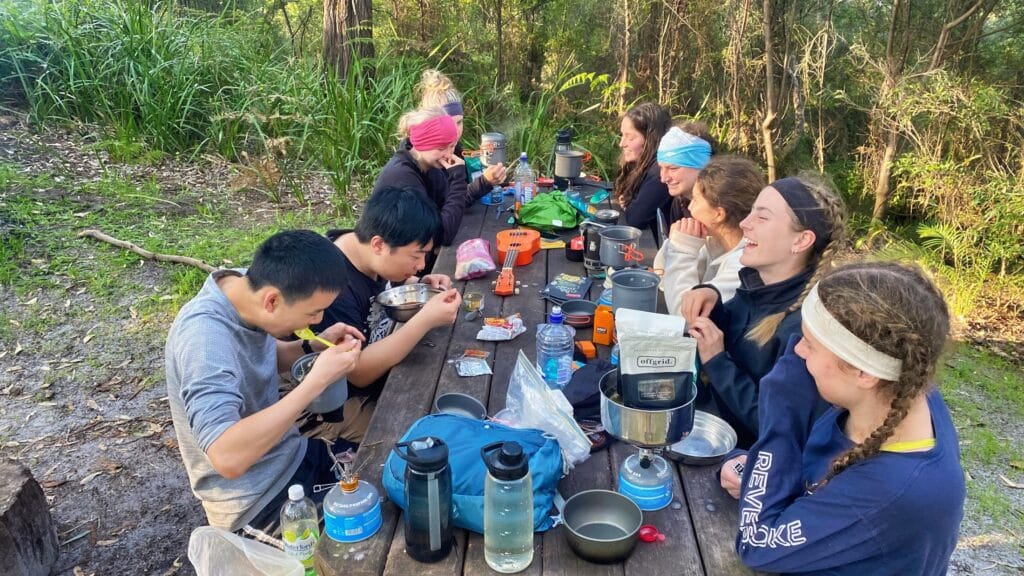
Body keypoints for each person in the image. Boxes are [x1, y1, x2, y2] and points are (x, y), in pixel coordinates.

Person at [719, 261, 965, 574]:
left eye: (810, 344)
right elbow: (817, 478)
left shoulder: (893, 489)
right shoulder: (901, 389)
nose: (796, 353)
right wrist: (750, 466)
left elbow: (756, 544)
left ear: (863, 372)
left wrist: (783, 413)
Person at [165, 230, 364, 536]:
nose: (317, 320)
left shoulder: (246, 289)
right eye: (313, 312)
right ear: (272, 301)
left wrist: (314, 345)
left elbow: (261, 358)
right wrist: (316, 380)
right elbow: (226, 456)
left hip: (291, 455)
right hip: (254, 501)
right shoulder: (205, 340)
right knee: (363, 538)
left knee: (385, 480)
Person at [684, 173, 847, 447]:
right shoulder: (758, 286)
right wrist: (712, 300)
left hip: (739, 457)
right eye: (750, 213)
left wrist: (717, 361)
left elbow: (775, 425)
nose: (745, 224)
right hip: (710, 422)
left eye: (762, 217)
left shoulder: (805, 329)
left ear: (801, 241)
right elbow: (741, 342)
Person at [311, 186, 461, 415]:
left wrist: (419, 284)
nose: (421, 265)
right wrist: (425, 320)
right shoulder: (331, 288)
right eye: (416, 255)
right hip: (341, 403)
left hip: (382, 365)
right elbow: (358, 373)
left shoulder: (365, 251)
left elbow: (385, 285)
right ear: (379, 245)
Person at [653, 155, 765, 315]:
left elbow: (686, 315)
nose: (690, 207)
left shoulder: (743, 267)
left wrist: (681, 250)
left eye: (696, 200)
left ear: (719, 214)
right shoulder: (712, 242)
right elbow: (662, 277)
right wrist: (674, 243)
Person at [372, 107, 468, 246]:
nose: (448, 154)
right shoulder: (403, 178)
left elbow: (451, 200)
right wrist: (458, 178)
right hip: (390, 258)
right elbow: (441, 236)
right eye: (441, 148)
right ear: (422, 144)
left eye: (452, 146)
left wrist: (484, 183)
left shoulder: (428, 166)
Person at [417, 69, 507, 202]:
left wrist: (493, 175)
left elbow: (459, 191)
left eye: (459, 122)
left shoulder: (455, 149)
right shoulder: (426, 158)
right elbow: (449, 204)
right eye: (449, 124)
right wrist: (484, 182)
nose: (456, 131)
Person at [613, 102, 672, 238]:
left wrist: (629, 203)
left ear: (650, 140)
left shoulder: (660, 172)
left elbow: (636, 218)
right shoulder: (642, 164)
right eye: (622, 135)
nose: (622, 143)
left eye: (630, 137)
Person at [657, 121, 716, 223]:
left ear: (702, 165)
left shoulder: (723, 205)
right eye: (661, 168)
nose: (663, 179)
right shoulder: (680, 201)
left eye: (673, 168)